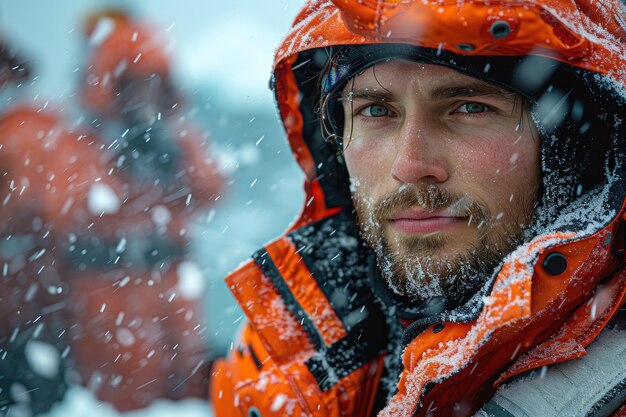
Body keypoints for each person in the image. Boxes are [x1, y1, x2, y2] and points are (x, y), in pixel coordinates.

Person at [210, 1, 626, 416]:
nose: (410, 167)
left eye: (470, 107)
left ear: (575, 149)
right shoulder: (285, 359)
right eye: (375, 111)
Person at [59, 9, 224, 410]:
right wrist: (118, 159)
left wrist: (172, 153)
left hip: (173, 284)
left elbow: (213, 190)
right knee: (118, 400)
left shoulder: (178, 134)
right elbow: (68, 209)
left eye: (152, 83)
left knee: (187, 394)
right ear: (110, 85)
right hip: (105, 291)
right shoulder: (82, 138)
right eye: (132, 85)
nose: (143, 95)